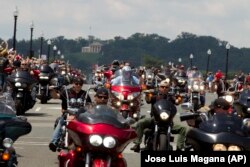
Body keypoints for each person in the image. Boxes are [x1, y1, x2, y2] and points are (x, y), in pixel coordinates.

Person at [130, 80, 187, 152]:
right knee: (140, 123)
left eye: (166, 87)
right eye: (162, 87)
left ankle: (179, 147)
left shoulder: (170, 97)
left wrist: (180, 98)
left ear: (169, 88)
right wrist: (147, 94)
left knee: (183, 129)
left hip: (168, 120)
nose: (164, 88)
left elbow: (177, 102)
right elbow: (148, 100)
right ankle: (137, 144)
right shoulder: (155, 96)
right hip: (155, 119)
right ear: (159, 87)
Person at [48, 77, 92, 152]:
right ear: (73, 84)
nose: (78, 85)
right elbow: (56, 96)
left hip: (80, 116)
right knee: (61, 122)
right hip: (67, 114)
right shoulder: (66, 92)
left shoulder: (85, 94)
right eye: (76, 84)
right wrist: (52, 90)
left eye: (80, 84)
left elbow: (90, 106)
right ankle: (54, 142)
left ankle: (89, 143)